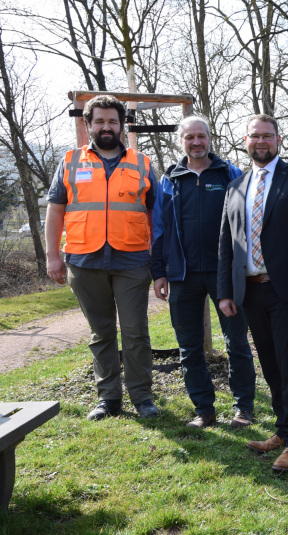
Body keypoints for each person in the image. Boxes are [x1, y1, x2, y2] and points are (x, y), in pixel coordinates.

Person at [217, 114, 288, 472]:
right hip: (249, 292)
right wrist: (225, 292)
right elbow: (226, 246)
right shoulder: (236, 188)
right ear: (244, 141)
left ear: (278, 140)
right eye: (254, 136)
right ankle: (283, 429)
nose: (260, 142)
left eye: (267, 136)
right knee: (270, 365)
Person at [45, 95, 159, 421]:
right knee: (102, 333)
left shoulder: (142, 163)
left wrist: (159, 258)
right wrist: (54, 257)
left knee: (136, 331)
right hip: (83, 261)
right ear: (88, 124)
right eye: (99, 121)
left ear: (122, 125)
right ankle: (108, 399)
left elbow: (158, 216)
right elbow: (55, 212)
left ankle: (142, 397)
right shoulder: (70, 162)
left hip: (133, 260)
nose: (106, 127)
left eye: (112, 121)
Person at [151, 115, 256, 429]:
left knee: (236, 342)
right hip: (182, 276)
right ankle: (204, 411)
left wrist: (246, 268)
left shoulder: (230, 175)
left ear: (210, 138)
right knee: (189, 346)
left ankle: (243, 409)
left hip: (226, 275)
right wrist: (159, 271)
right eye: (189, 137)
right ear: (180, 141)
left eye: (201, 136)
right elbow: (158, 229)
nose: (196, 142)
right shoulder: (168, 181)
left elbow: (249, 225)